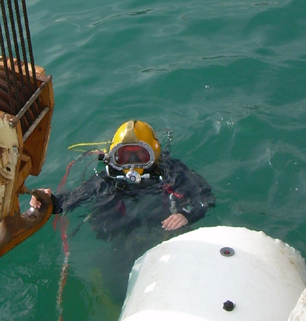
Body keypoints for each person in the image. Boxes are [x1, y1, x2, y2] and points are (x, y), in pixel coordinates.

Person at [31, 121, 215, 291]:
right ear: (114, 157)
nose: (132, 163)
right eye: (125, 156)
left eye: (140, 155)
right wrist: (47, 200)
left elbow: (205, 197)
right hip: (122, 237)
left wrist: (186, 215)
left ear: (154, 154)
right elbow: (69, 200)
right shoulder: (107, 178)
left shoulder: (171, 171)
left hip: (161, 229)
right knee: (114, 279)